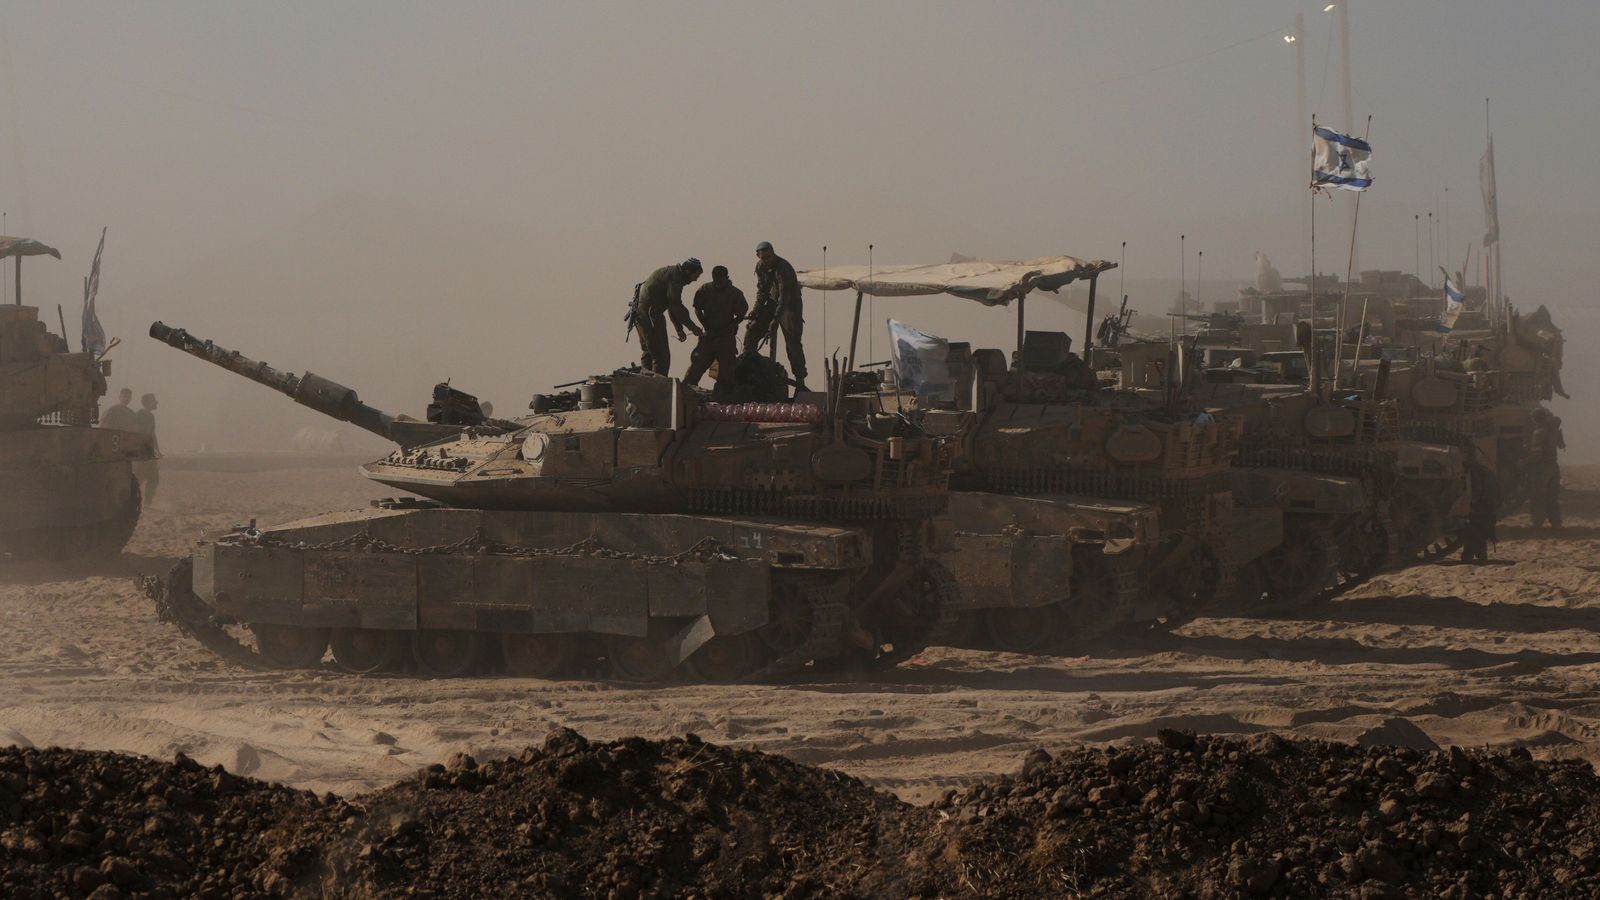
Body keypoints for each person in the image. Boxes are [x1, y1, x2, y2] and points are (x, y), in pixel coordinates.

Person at [743, 241, 807, 391]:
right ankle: (749, 369)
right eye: (763, 258)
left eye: (769, 257)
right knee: (752, 330)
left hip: (790, 306)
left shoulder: (783, 268)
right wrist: (756, 309)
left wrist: (776, 319)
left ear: (773, 253)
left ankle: (800, 379)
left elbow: (784, 297)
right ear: (758, 257)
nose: (767, 260)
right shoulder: (760, 267)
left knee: (793, 343)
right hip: (773, 303)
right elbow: (762, 290)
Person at [684, 265, 748, 400]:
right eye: (716, 279)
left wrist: (730, 327)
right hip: (709, 337)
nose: (718, 282)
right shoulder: (705, 289)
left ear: (726, 278)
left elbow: (741, 314)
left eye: (721, 279)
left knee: (726, 374)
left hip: (726, 339)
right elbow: (697, 309)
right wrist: (706, 326)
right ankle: (685, 396)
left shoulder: (735, 293)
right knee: (696, 367)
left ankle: (721, 401)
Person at [630, 258, 703, 375]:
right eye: (696, 276)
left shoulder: (672, 273)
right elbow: (675, 304)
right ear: (688, 271)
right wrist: (692, 327)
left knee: (649, 352)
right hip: (650, 316)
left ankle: (646, 381)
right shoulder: (676, 278)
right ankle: (658, 384)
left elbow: (670, 304)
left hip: (641, 315)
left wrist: (679, 329)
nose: (695, 279)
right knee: (661, 356)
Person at [1527, 407, 1565, 533]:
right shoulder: (1553, 431)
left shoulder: (1538, 433)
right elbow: (1561, 445)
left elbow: (1536, 455)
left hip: (1542, 469)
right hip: (1554, 467)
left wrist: (1524, 462)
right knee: (1552, 498)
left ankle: (1538, 525)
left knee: (1538, 497)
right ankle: (1556, 524)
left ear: (1535, 419)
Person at [1459, 459, 1500, 564]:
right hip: (1489, 506)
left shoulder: (1473, 472)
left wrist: (1472, 504)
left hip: (1482, 506)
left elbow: (1477, 490)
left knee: (1474, 531)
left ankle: (1473, 556)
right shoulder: (1483, 470)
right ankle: (1475, 555)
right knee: (1479, 531)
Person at [132, 393, 161, 504]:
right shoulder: (139, 414)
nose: (156, 402)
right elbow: (136, 430)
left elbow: (152, 433)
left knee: (154, 477)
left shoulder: (151, 416)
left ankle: (148, 501)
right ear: (148, 402)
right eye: (154, 400)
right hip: (141, 451)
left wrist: (157, 450)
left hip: (149, 450)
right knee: (140, 476)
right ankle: (131, 499)